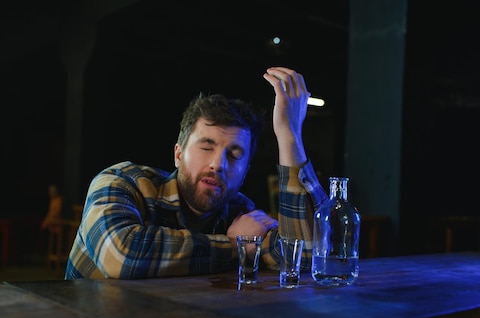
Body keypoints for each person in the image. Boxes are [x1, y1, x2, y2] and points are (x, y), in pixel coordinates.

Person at [65, 67, 327, 279]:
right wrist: (233, 245)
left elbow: (303, 258)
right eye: (206, 147)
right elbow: (121, 256)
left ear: (245, 172)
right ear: (178, 155)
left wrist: (289, 136)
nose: (218, 164)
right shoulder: (122, 182)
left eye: (234, 155)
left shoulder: (240, 211)